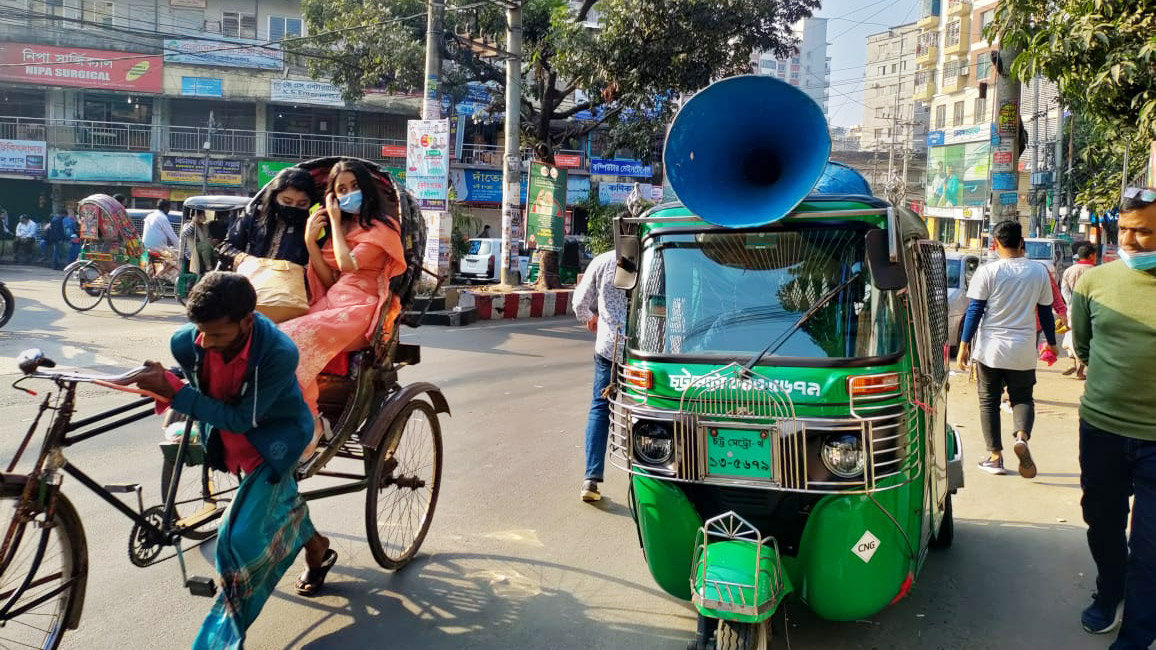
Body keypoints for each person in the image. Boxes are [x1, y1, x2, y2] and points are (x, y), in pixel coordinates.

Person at [131, 272, 336, 649]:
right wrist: (165, 383)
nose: (206, 344)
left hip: (275, 440)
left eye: (218, 335)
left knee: (235, 541)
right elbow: (197, 387)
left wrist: (174, 392)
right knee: (281, 501)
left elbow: (243, 418)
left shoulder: (278, 352)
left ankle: (224, 635)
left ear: (247, 321)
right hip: (227, 440)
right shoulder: (186, 343)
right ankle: (317, 546)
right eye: (201, 333)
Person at [1070, 187, 1156, 649]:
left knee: (1150, 546)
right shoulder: (1094, 282)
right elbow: (1083, 346)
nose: (1129, 240)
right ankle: (1111, 590)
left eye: (1142, 232)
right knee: (1101, 522)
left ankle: (1138, 634)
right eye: (1123, 229)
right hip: (1101, 428)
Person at [279, 160, 406, 449]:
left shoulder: (383, 228)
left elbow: (349, 265)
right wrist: (311, 242)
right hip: (332, 300)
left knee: (290, 341)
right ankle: (295, 416)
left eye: (354, 186)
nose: (348, 194)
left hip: (361, 308)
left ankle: (312, 420)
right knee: (273, 340)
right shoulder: (344, 230)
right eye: (341, 189)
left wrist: (335, 223)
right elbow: (328, 277)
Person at [957, 220, 1059, 478]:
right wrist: (1053, 343)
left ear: (996, 243)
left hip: (991, 348)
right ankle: (1022, 437)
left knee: (988, 402)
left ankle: (995, 456)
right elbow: (1046, 312)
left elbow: (975, 311)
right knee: (1022, 398)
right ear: (1021, 242)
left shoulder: (988, 271)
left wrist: (963, 345)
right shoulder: (1038, 272)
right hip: (1023, 348)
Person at [573, 249, 627, 502]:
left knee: (599, 408)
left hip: (609, 347)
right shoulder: (656, 252)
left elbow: (579, 303)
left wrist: (592, 319)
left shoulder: (603, 261)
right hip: (647, 352)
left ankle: (591, 479)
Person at [222, 166, 317, 268]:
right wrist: (247, 260)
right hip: (251, 279)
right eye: (287, 201)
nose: (293, 207)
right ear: (274, 197)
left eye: (302, 204)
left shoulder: (316, 224)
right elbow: (226, 248)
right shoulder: (255, 215)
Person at [1061, 242, 1097, 379]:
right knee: (1084, 338)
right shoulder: (1095, 271)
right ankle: (1080, 371)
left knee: (1070, 334)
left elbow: (1064, 291)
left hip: (1072, 309)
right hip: (1089, 309)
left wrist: (1071, 304)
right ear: (1091, 256)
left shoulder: (1069, 270)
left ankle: (1072, 361)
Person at [142, 199, 180, 281]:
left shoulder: (150, 216)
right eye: (169, 208)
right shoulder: (162, 217)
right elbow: (172, 235)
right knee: (175, 259)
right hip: (157, 247)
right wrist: (180, 248)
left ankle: (155, 275)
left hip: (146, 246)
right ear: (166, 208)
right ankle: (158, 275)